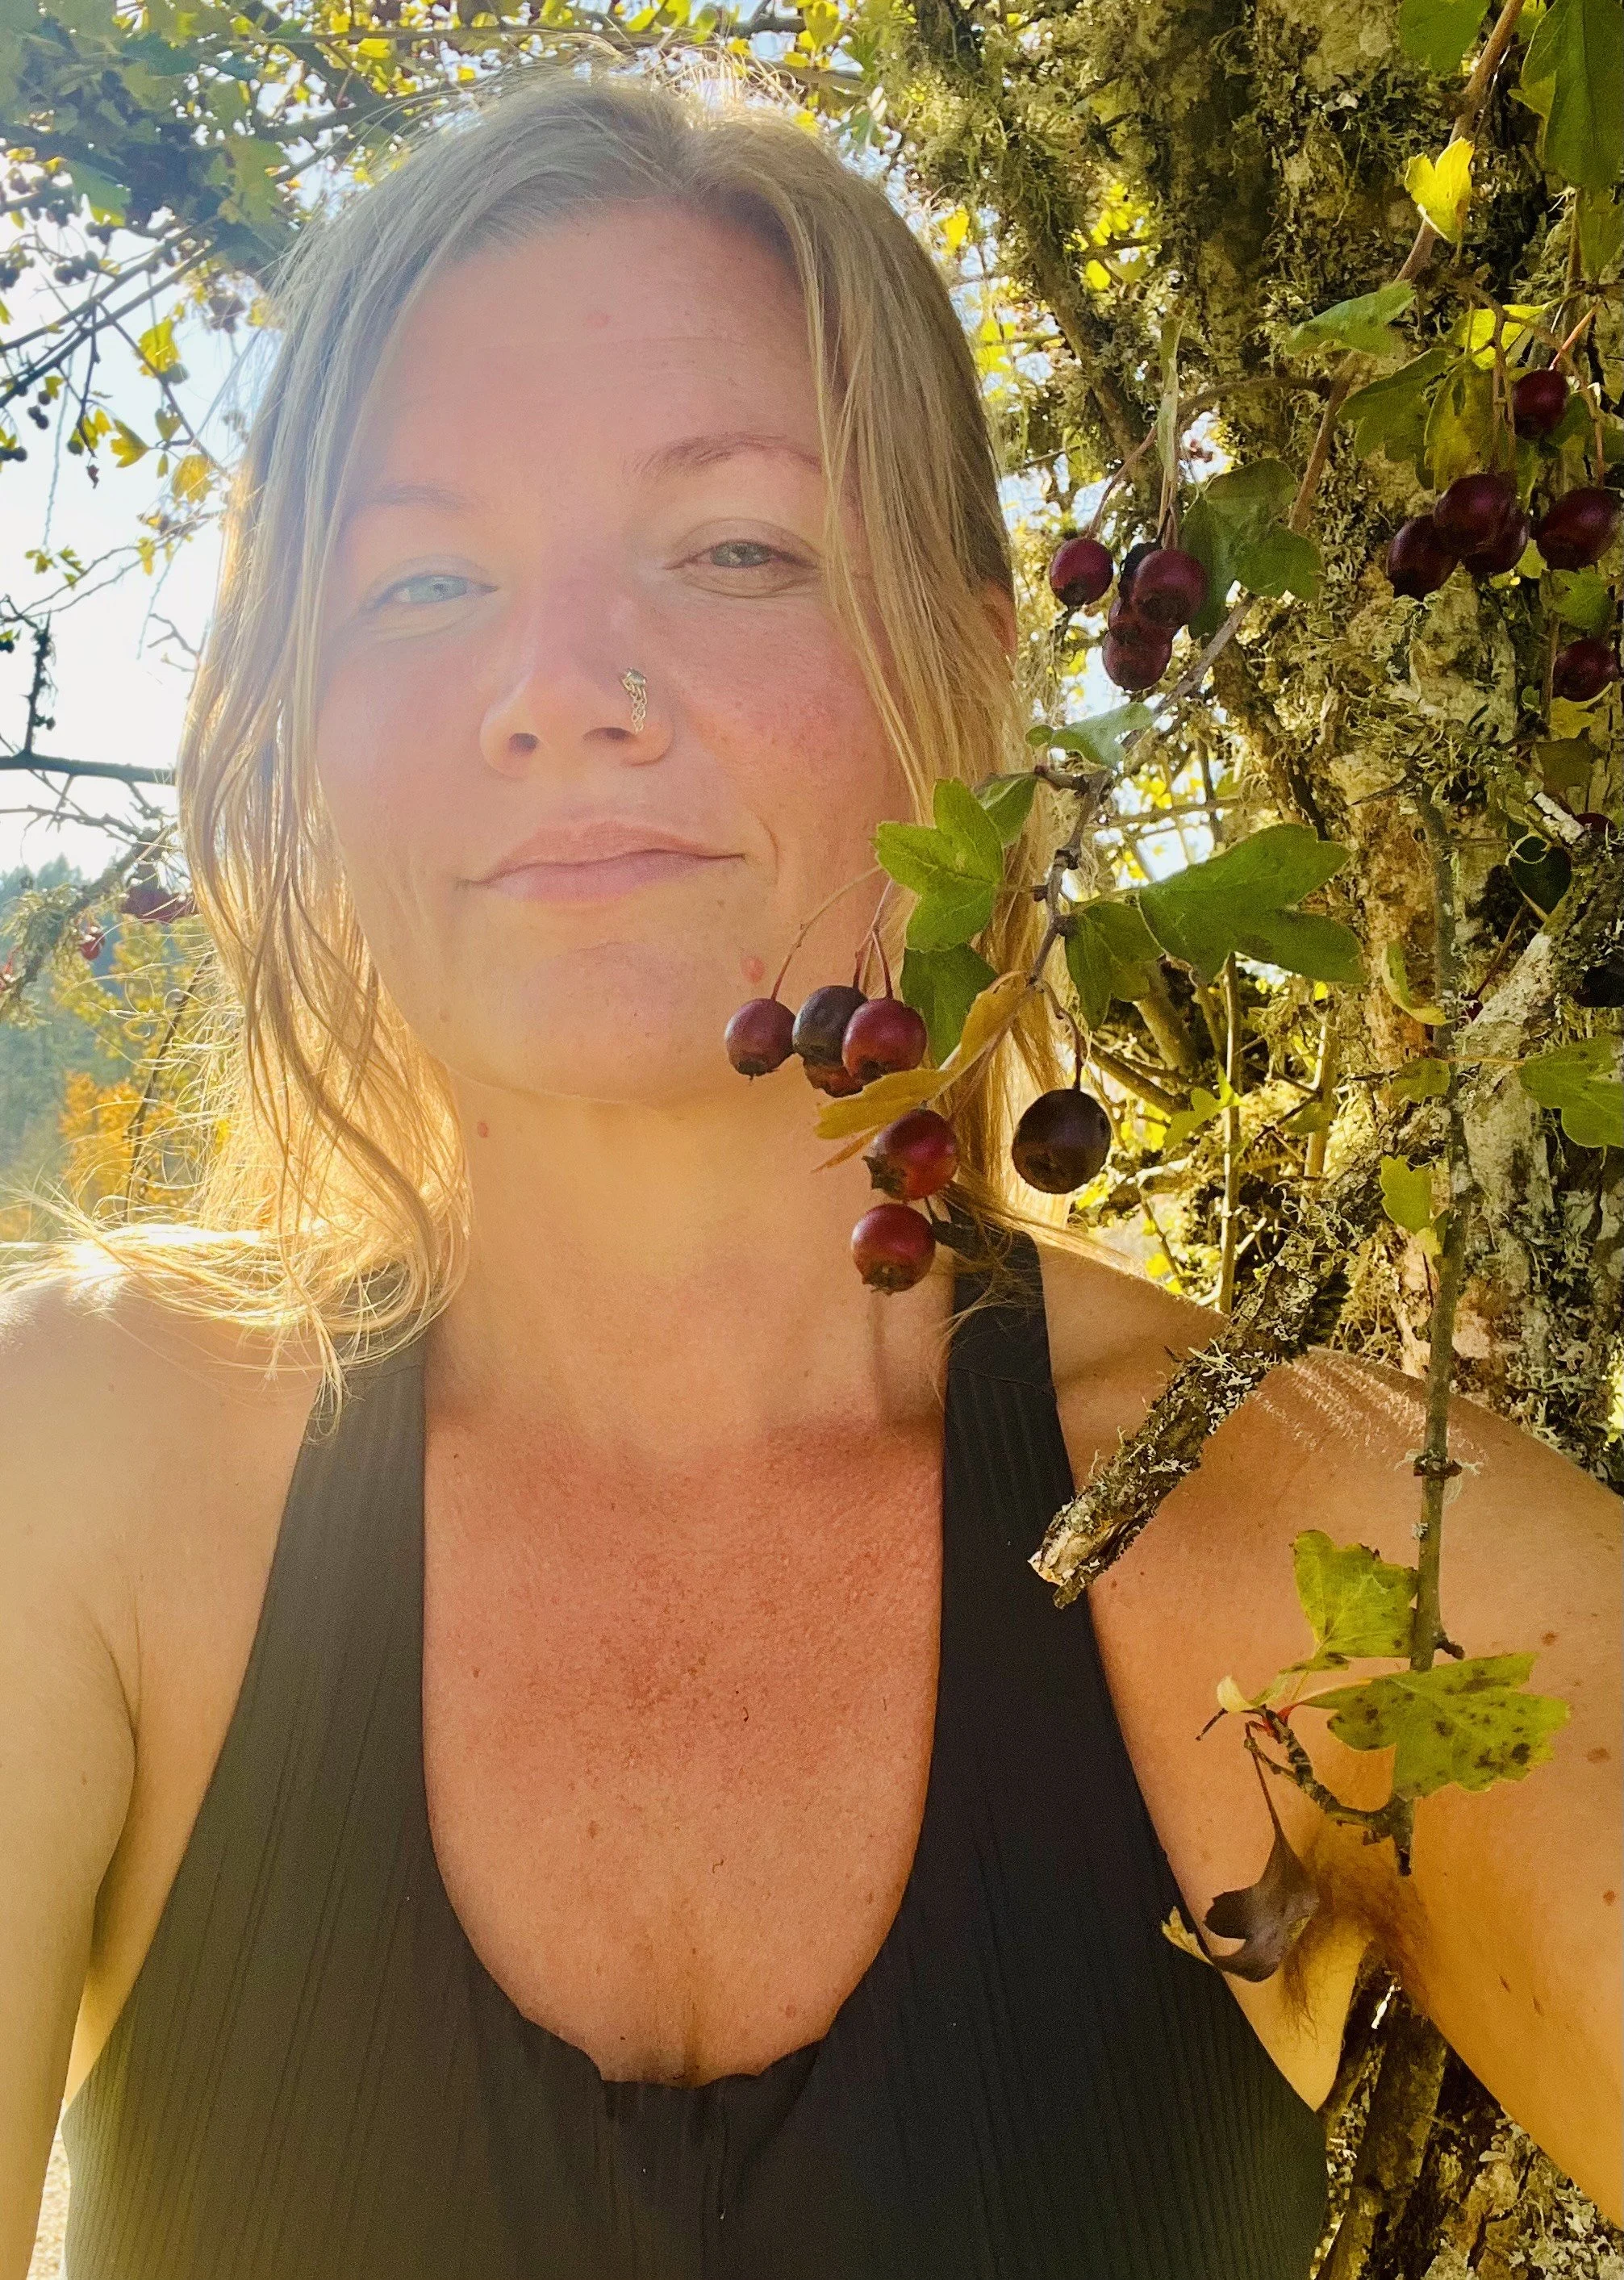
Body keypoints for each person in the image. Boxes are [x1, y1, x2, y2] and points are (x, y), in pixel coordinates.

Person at [1, 68, 1618, 2280]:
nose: (557, 690)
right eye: (422, 579)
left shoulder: (1317, 1545)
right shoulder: (75, 1469)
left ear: (965, 663)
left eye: (732, 546)